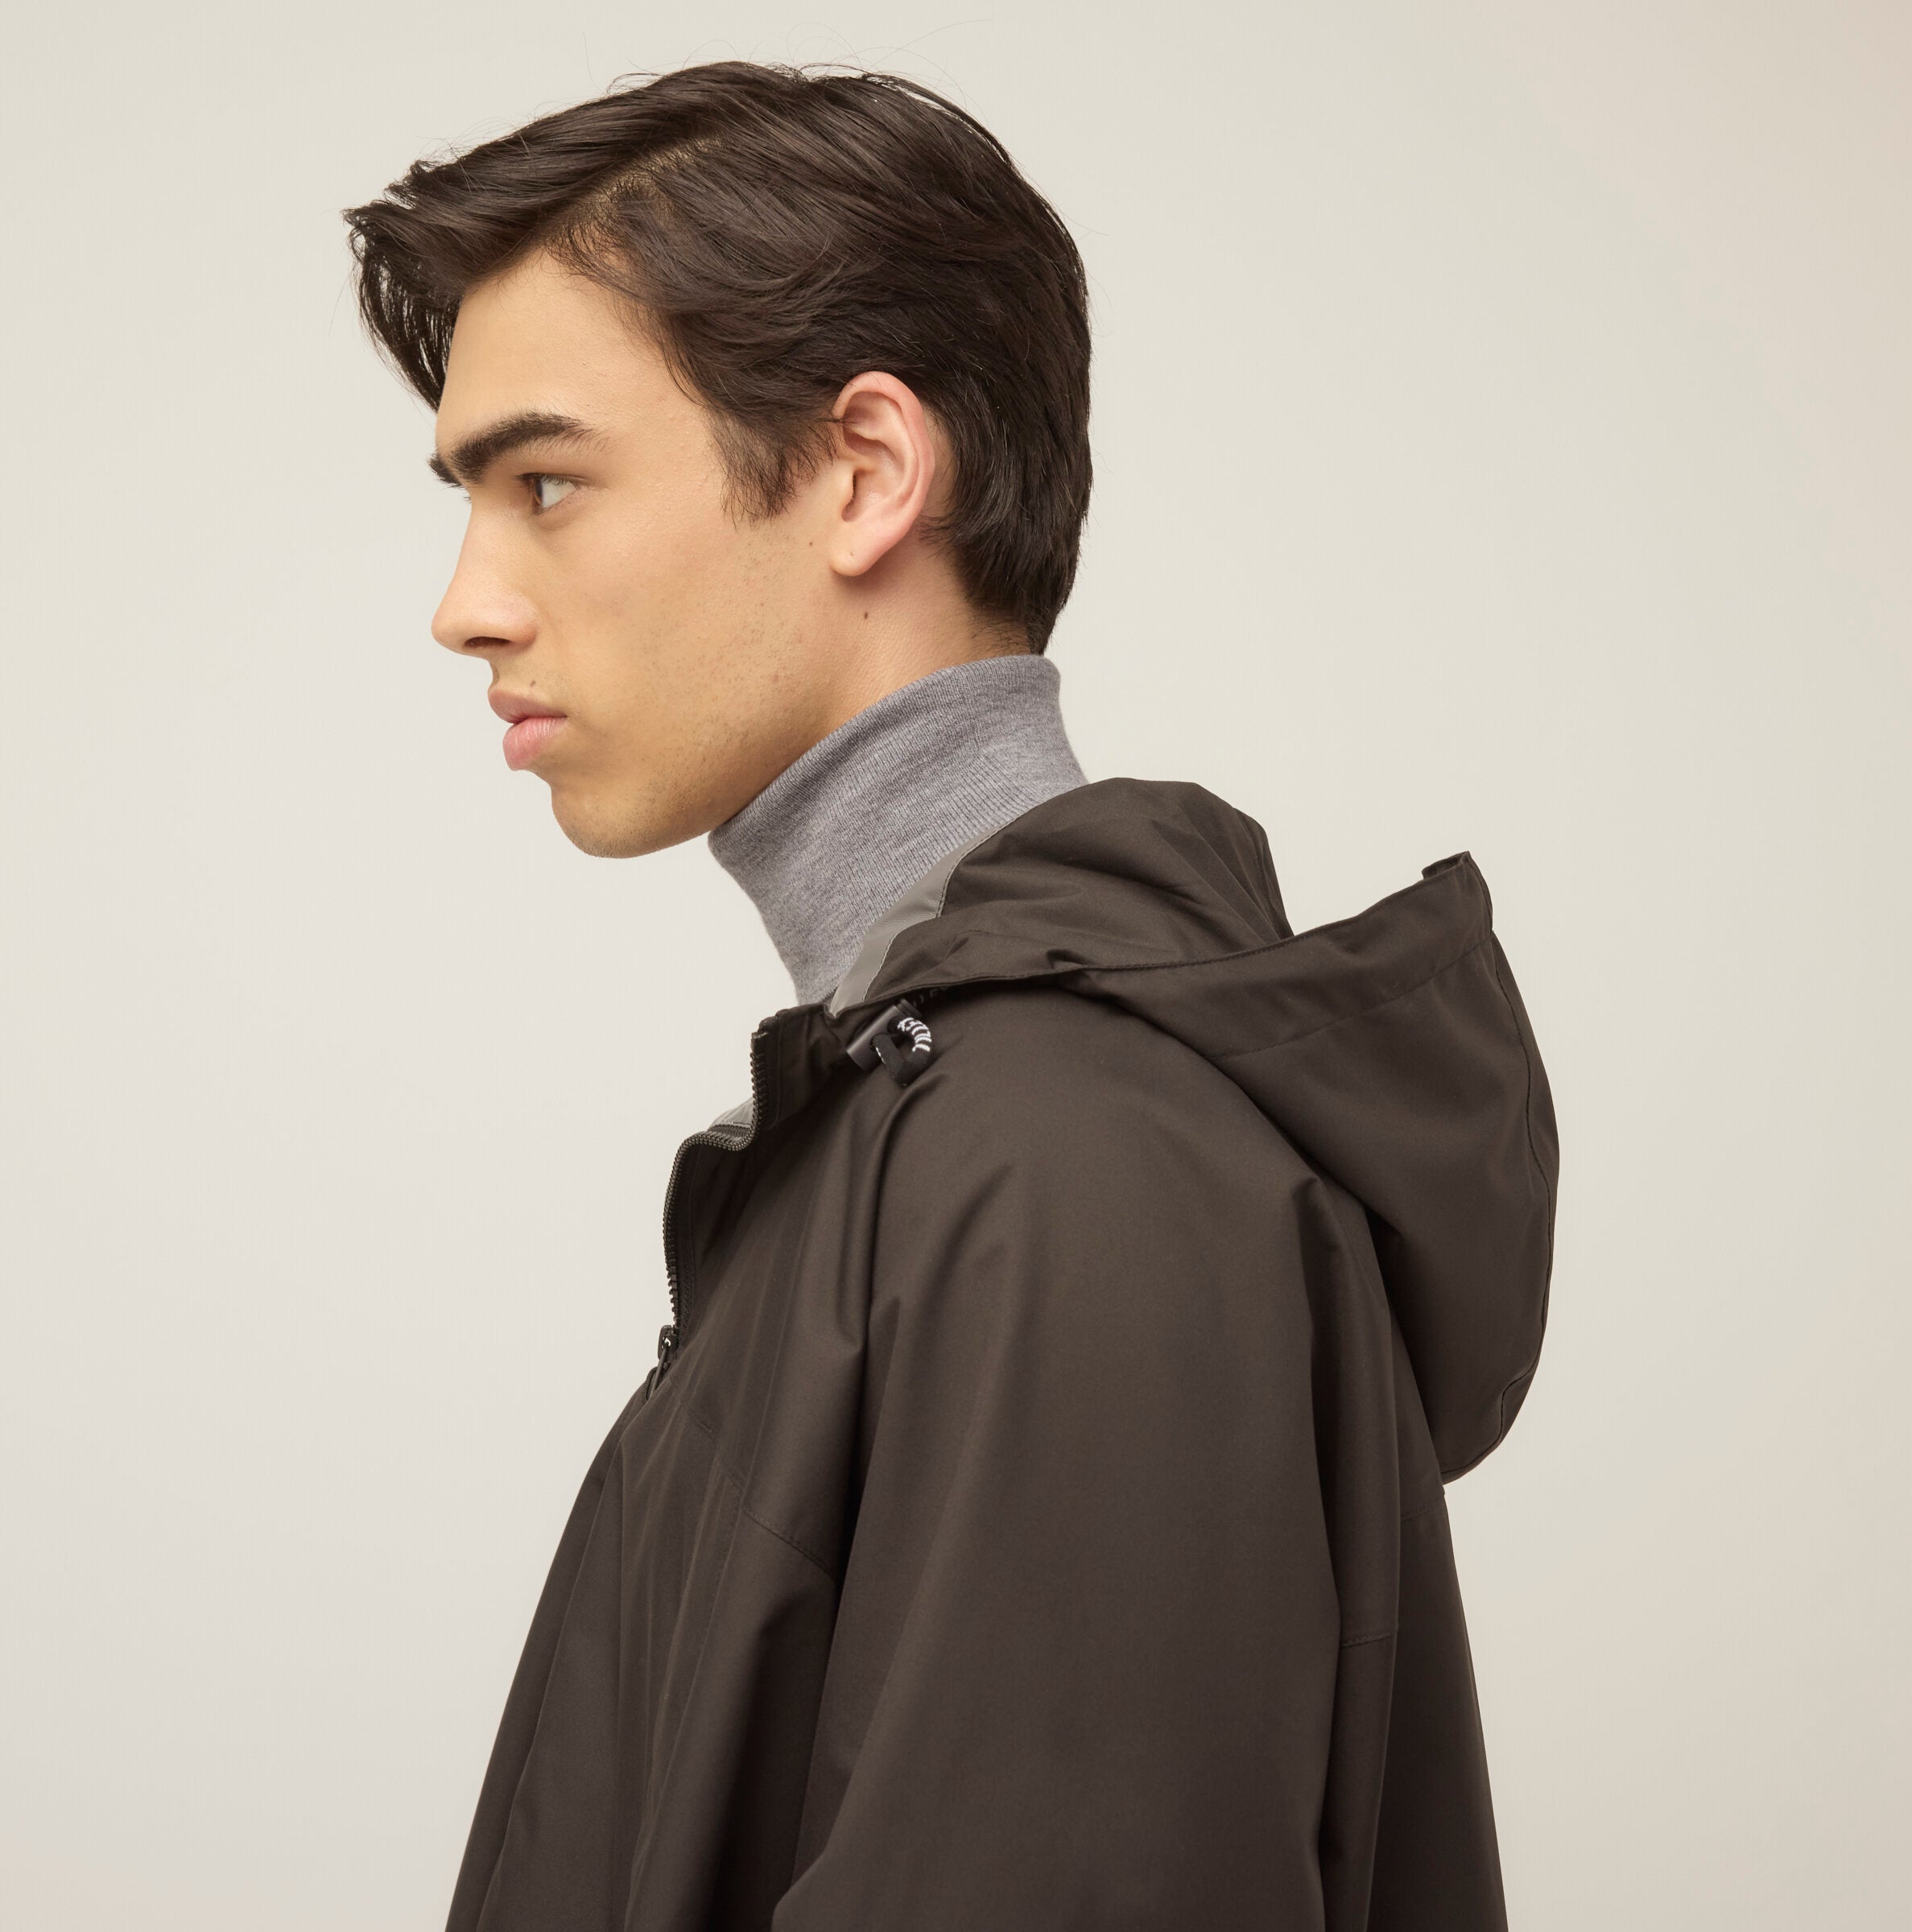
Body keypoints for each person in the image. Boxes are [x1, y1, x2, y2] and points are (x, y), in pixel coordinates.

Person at [342, 60, 1557, 1932]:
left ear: (866, 473)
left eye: (547, 484)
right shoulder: (925, 1123)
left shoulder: (1068, 1167)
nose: (466, 605)